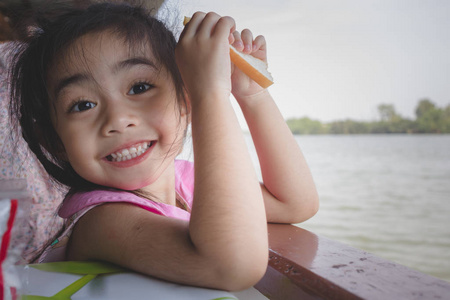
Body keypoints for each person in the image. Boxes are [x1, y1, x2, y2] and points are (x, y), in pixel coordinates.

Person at [8, 2, 319, 291]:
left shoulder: (186, 182)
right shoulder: (102, 220)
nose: (117, 119)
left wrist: (251, 94)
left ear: (183, 100)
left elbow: (294, 203)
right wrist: (210, 93)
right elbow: (232, 266)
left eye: (139, 87)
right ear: (55, 142)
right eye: (82, 105)